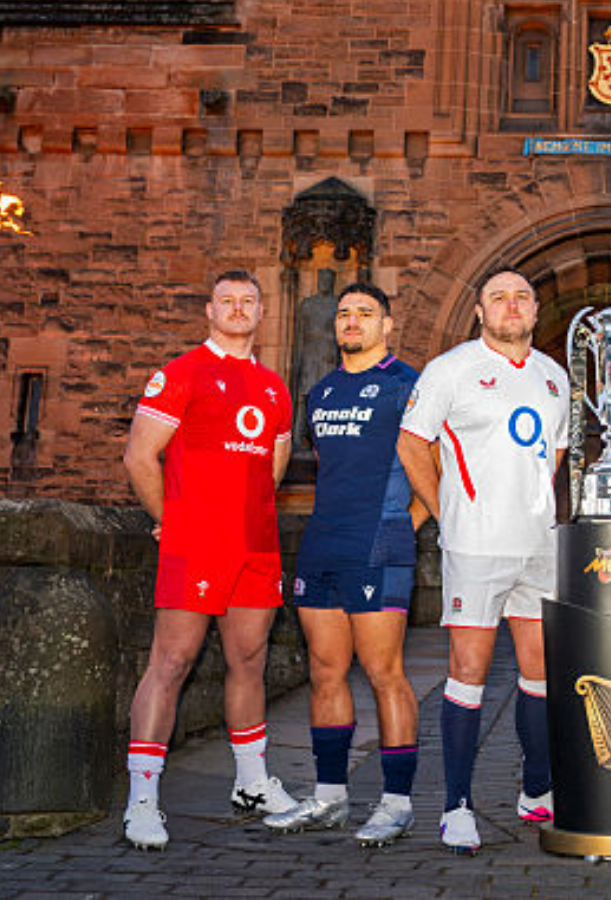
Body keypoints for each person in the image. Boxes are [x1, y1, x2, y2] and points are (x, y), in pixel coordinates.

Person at [121, 270, 298, 850]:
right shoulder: (181, 373)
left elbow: (273, 468)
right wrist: (173, 521)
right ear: (209, 309)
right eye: (228, 301)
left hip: (255, 544)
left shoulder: (274, 387)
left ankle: (250, 783)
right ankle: (142, 800)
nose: (238, 309)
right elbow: (140, 456)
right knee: (171, 662)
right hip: (196, 542)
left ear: (262, 312)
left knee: (249, 658)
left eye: (248, 301)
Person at [396, 270, 569, 855]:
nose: (511, 306)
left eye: (521, 297)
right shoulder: (451, 369)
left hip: (539, 545)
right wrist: (449, 511)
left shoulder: (554, 377)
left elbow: (556, 452)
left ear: (536, 309)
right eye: (499, 297)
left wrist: (533, 506)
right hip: (475, 544)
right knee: (468, 669)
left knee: (540, 668)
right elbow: (411, 441)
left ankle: (536, 790)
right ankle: (457, 806)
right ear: (479, 311)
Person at [264, 283, 424, 846]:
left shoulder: (409, 386)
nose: (351, 321)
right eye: (344, 314)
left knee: (385, 673)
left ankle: (396, 803)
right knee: (325, 673)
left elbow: (435, 474)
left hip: (378, 544)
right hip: (323, 543)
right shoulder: (322, 393)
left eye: (365, 313)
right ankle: (329, 797)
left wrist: (402, 528)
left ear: (387, 325)